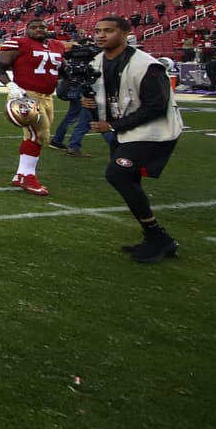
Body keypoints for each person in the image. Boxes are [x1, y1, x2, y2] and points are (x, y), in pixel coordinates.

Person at [81, 16, 184, 263]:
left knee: (118, 174)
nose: (101, 35)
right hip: (126, 131)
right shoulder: (96, 61)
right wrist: (88, 102)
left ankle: (157, 236)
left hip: (154, 132)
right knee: (129, 179)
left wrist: (113, 125)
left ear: (126, 33)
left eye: (108, 31)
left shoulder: (147, 65)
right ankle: (156, 239)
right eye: (97, 31)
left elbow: (156, 106)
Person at [0, 17, 64, 196]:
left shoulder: (57, 45)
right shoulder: (19, 43)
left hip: (47, 96)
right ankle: (28, 177)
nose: (39, 30)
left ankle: (21, 174)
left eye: (43, 27)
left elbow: (61, 69)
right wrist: (10, 85)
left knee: (35, 135)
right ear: (26, 30)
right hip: (27, 95)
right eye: (34, 27)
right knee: (39, 134)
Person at [49, 37, 98, 157]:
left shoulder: (73, 55)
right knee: (83, 117)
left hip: (69, 87)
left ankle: (59, 141)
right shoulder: (89, 55)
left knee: (74, 116)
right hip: (78, 88)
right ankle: (69, 144)